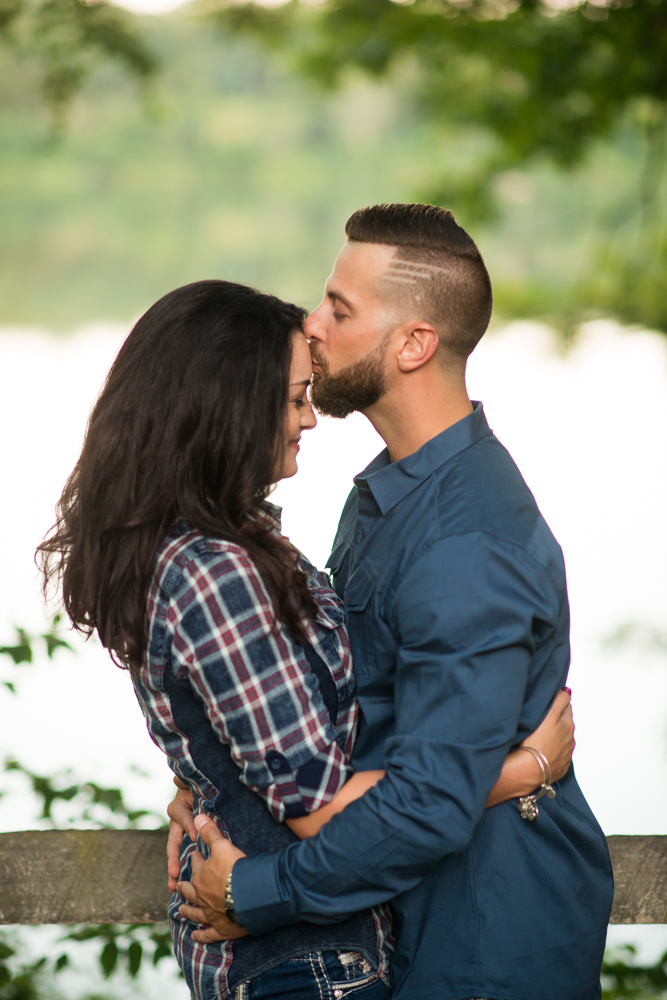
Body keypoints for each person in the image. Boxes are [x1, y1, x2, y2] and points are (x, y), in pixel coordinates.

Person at [36, 278, 573, 1000]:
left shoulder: (213, 543)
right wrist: (521, 768)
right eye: (292, 399)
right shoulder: (214, 570)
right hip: (303, 964)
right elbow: (317, 806)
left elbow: (254, 725)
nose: (310, 418)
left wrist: (204, 788)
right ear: (225, 410)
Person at [172, 205, 614, 1000]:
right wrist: (216, 787)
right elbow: (333, 713)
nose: (311, 324)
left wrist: (255, 891)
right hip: (399, 922)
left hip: (482, 941)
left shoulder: (464, 541)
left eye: (339, 309)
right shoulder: (389, 493)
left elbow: (430, 804)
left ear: (413, 344)